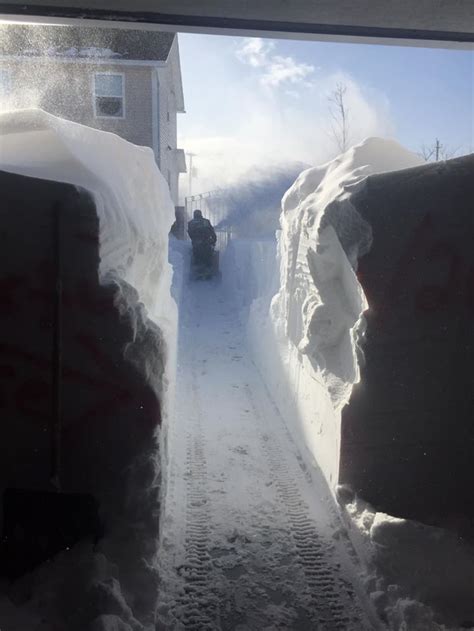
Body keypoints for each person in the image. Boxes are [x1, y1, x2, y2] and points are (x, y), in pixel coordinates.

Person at [187, 209, 217, 274]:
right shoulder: (206, 221)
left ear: (194, 215)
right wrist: (213, 241)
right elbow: (212, 232)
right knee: (208, 257)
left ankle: (198, 272)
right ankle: (208, 271)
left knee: (197, 257)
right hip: (207, 243)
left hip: (196, 244)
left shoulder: (191, 223)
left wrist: (194, 240)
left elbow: (190, 234)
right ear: (201, 214)